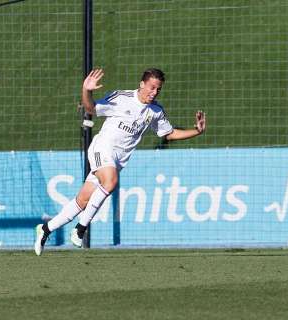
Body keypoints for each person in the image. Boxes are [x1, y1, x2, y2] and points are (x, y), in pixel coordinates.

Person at [34, 68, 206, 256]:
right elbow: (91, 108)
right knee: (111, 182)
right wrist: (87, 90)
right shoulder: (121, 97)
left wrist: (197, 131)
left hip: (116, 161)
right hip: (101, 149)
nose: (154, 92)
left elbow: (169, 134)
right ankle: (81, 229)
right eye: (151, 87)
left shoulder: (155, 111)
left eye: (158, 89)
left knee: (82, 200)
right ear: (142, 84)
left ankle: (46, 229)